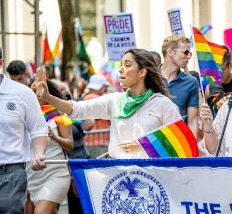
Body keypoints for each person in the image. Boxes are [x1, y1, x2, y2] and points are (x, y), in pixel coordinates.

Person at [35, 48, 182, 159]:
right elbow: (77, 109)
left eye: (127, 64)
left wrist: (144, 145)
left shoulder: (162, 104)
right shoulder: (114, 100)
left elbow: (180, 141)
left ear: (142, 72)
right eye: (121, 65)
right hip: (119, 177)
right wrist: (48, 97)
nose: (120, 69)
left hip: (154, 178)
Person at [0, 47, 48, 214]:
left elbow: (38, 128)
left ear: (0, 62)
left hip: (11, 173)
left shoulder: (21, 93)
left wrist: (38, 153)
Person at [29, 77, 76, 214]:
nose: (35, 94)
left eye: (38, 90)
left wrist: (54, 137)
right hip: (33, 172)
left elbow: (70, 145)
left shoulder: (59, 116)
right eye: (32, 90)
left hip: (56, 171)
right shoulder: (26, 114)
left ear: (47, 92)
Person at [160, 35, 199, 138]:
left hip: (178, 143)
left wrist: (192, 150)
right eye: (186, 52)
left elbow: (192, 121)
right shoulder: (149, 77)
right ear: (170, 52)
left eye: (190, 53)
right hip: (151, 145)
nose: (189, 56)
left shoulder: (191, 82)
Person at [82, 74, 110, 157]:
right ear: (101, 86)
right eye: (105, 86)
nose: (106, 89)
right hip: (96, 142)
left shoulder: (87, 97)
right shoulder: (94, 98)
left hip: (95, 141)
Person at [205, 45, 232, 117]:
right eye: (214, 71)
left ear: (231, 65)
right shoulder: (210, 88)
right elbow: (208, 118)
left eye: (221, 70)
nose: (217, 75)